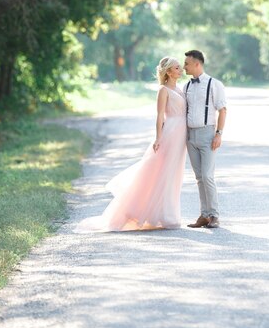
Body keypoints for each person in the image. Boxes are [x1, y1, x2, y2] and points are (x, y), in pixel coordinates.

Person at [75, 57, 187, 232]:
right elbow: (159, 116)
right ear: (168, 72)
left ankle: (166, 214)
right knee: (164, 173)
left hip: (181, 135)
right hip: (170, 133)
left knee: (175, 174)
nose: (181, 70)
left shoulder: (179, 89)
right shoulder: (163, 90)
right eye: (177, 67)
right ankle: (162, 215)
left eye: (180, 67)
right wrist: (158, 138)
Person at [183, 50, 227, 229]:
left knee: (208, 176)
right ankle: (204, 215)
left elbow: (222, 110)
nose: (184, 66)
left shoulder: (214, 84)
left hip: (208, 134)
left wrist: (219, 133)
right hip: (190, 136)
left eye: (186, 63)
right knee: (199, 177)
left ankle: (215, 215)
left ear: (197, 64)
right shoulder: (186, 86)